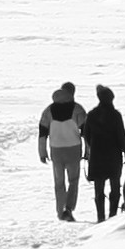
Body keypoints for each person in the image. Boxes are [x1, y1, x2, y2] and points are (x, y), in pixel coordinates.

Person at [38, 81, 87, 221]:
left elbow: (42, 133)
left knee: (59, 182)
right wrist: (88, 151)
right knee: (73, 180)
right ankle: (68, 209)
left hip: (56, 150)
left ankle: (60, 211)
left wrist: (42, 152)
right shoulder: (77, 109)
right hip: (74, 149)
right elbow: (86, 132)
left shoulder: (48, 110)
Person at [82, 84, 125, 220]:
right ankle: (113, 217)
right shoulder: (115, 115)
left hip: (97, 156)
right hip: (114, 156)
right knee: (115, 187)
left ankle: (100, 218)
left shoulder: (92, 115)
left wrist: (92, 148)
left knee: (99, 188)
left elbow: (86, 135)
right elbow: (121, 136)